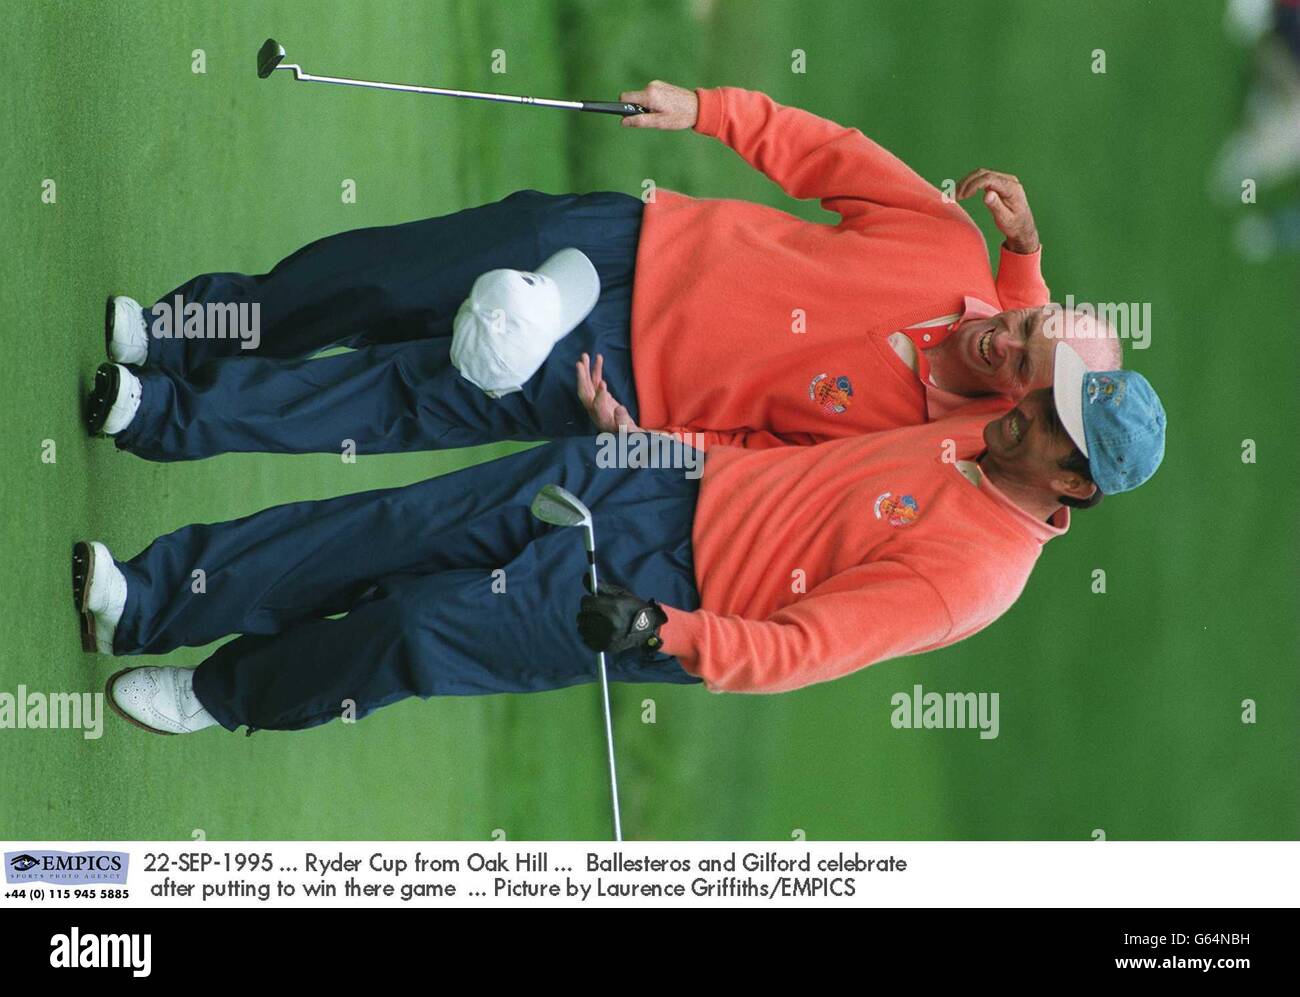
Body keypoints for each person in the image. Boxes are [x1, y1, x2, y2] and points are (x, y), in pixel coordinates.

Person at [77, 344, 1165, 735]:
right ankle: (153, 595)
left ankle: (221, 700)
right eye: (1052, 392)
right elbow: (784, 462)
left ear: (1072, 482)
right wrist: (652, 444)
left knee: (415, 630)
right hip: (649, 478)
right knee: (390, 524)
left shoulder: (971, 576)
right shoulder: (983, 432)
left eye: (1052, 419)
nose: (1026, 403)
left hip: (661, 597)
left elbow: (805, 649)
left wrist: (665, 625)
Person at [85, 82, 1119, 461]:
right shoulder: (952, 248)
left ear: (1023, 409)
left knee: (388, 403)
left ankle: (157, 417)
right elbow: (823, 152)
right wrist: (704, 111)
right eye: (1022, 320)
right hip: (625, 242)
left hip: (615, 377)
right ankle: (184, 333)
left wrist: (637, 440)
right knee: (382, 273)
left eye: (1019, 354)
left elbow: (757, 456)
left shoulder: (924, 438)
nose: (1001, 335)